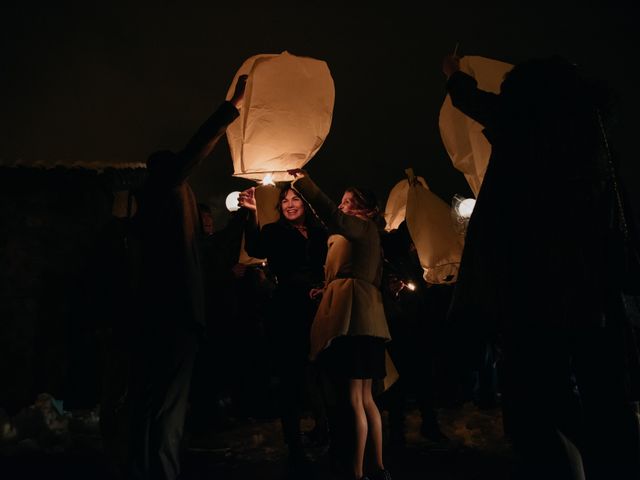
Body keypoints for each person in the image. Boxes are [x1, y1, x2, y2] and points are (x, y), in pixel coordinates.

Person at [443, 53, 640, 480]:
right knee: (603, 395)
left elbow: (474, 102)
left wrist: (454, 73)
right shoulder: (594, 138)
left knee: (535, 402)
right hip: (593, 290)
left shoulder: (527, 131)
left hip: (534, 290)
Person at [125, 74, 247, 480]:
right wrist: (231, 108)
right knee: (166, 410)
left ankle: (145, 468)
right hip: (172, 317)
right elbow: (197, 146)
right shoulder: (168, 190)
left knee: (150, 405)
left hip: (161, 317)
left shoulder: (153, 211)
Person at [289, 170, 392, 480]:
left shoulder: (360, 227)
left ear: (366, 209)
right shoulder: (364, 234)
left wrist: (305, 182)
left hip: (353, 320)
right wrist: (328, 286)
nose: (343, 206)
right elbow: (356, 271)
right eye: (344, 201)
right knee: (366, 398)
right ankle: (378, 466)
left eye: (349, 202)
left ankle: (357, 472)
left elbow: (330, 214)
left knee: (354, 399)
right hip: (366, 319)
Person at [238, 185, 329, 466]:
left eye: (295, 199)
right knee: (291, 374)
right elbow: (254, 247)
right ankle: (294, 441)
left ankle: (324, 427)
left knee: (319, 372)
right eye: (285, 200)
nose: (289, 204)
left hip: (320, 306)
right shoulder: (273, 231)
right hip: (287, 308)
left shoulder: (321, 232)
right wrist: (252, 214)